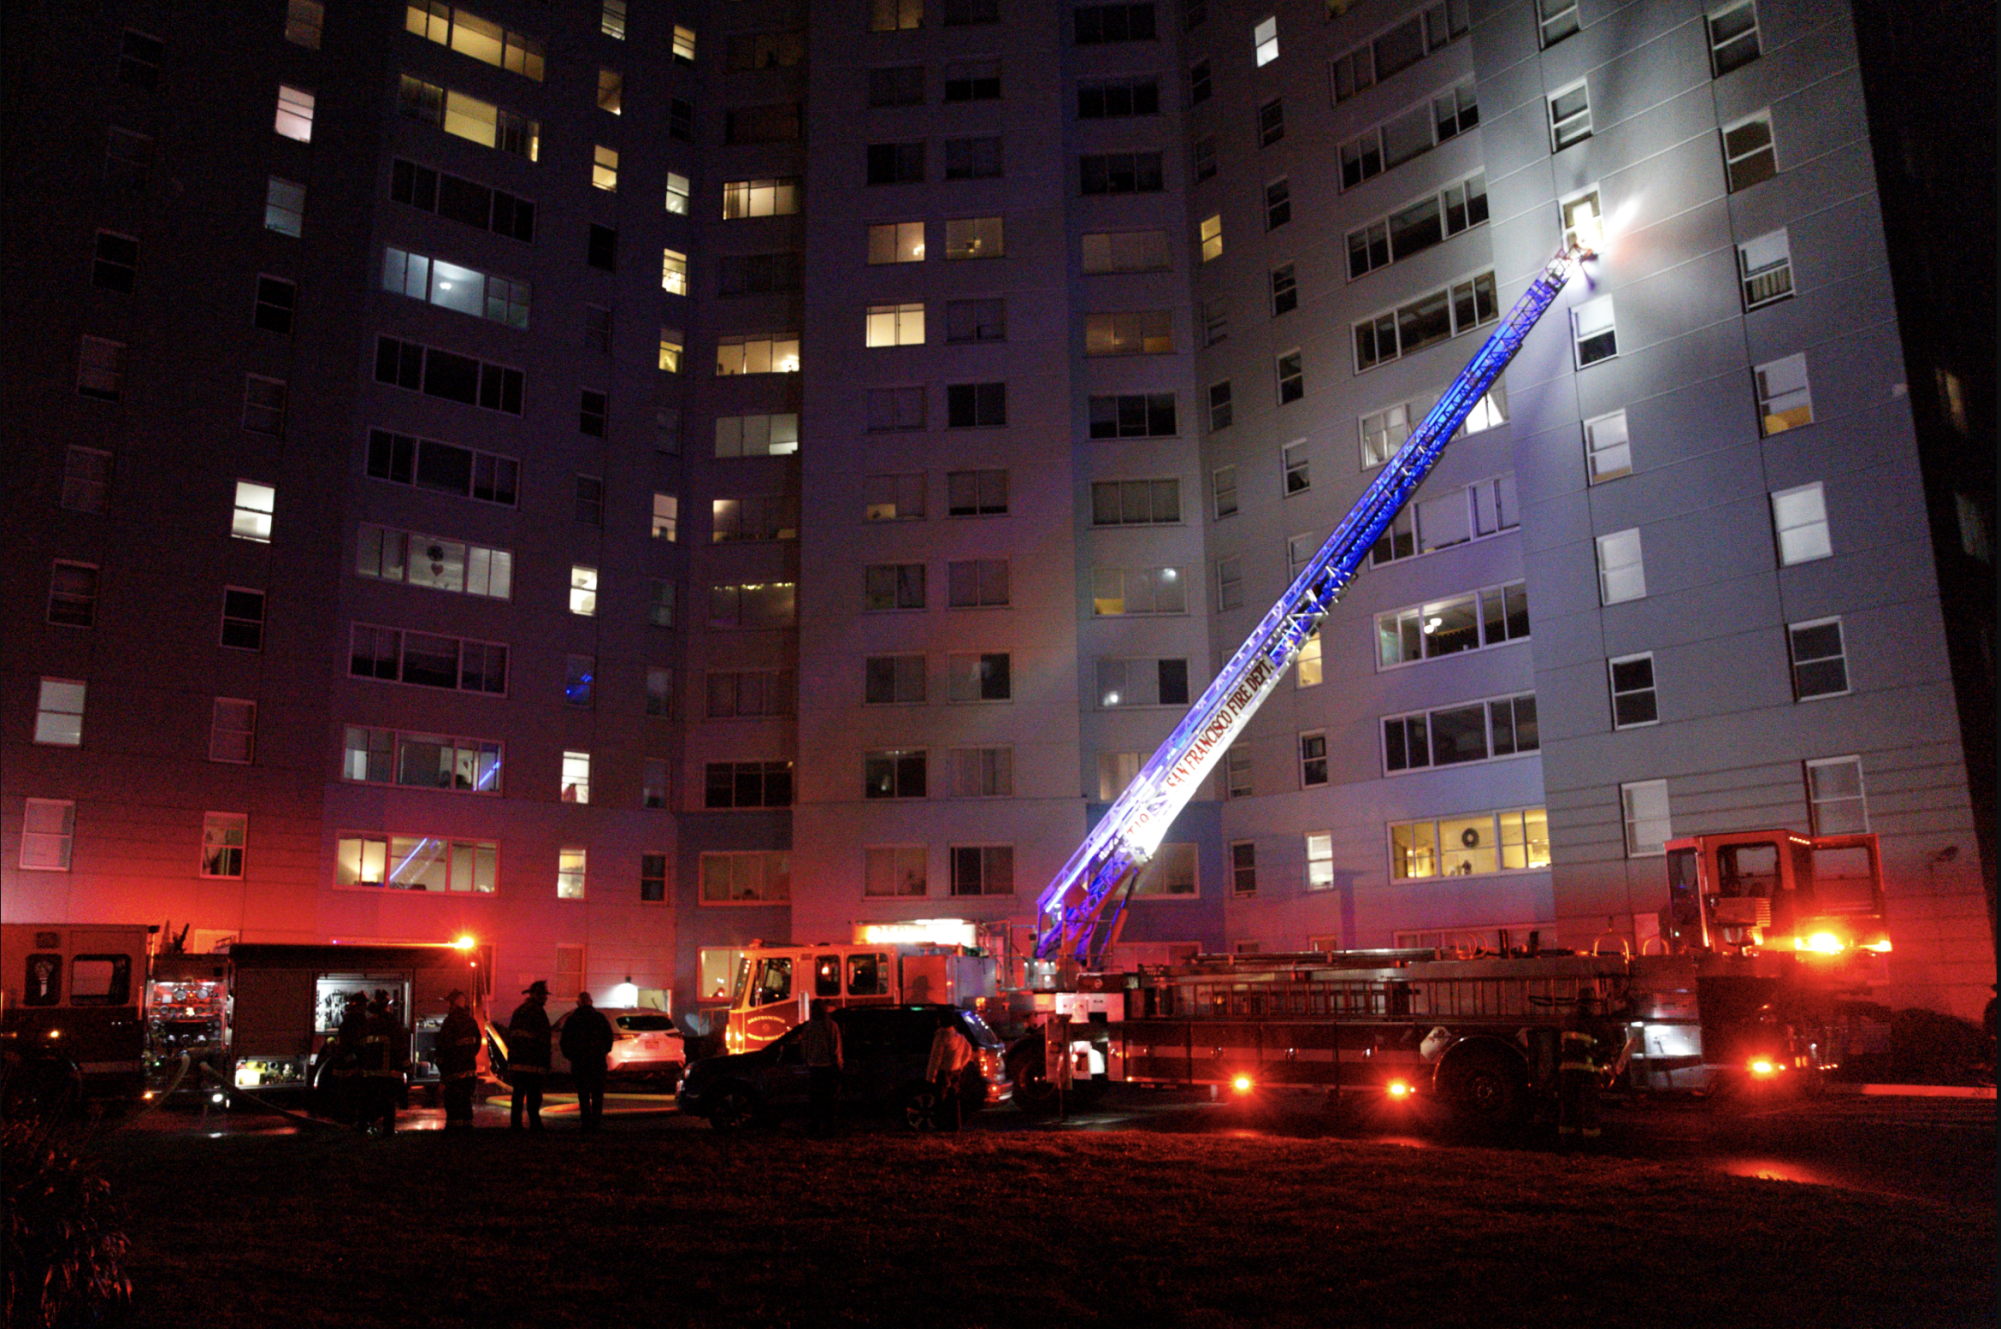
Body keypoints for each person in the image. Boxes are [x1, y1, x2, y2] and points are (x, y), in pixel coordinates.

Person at [1556, 993, 1611, 1144]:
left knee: (1568, 1105)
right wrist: (1605, 1065)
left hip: (1567, 1070)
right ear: (1590, 1005)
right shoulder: (1594, 1022)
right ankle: (1591, 1140)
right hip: (1587, 1071)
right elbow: (1604, 1046)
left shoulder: (1567, 1020)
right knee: (1589, 1106)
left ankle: (1567, 1139)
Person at [560, 991, 616, 1134]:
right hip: (597, 1062)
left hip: (580, 1063)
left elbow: (564, 1041)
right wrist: (602, 1052)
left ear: (578, 1003)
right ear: (591, 1002)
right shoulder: (600, 1018)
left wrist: (571, 1056)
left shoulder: (572, 1020)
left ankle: (585, 1122)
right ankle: (596, 1123)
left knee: (583, 1094)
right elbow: (609, 1038)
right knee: (597, 1094)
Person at [505, 980, 553, 1132]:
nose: (545, 999)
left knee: (518, 1095)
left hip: (518, 1063)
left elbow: (511, 1036)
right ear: (537, 996)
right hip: (534, 1064)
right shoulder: (538, 1013)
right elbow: (544, 1040)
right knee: (534, 1096)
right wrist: (545, 1063)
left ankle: (516, 1124)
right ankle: (535, 1124)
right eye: (544, 995)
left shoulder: (519, 1011)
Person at [358, 995, 408, 1136]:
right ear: (387, 1007)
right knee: (388, 1103)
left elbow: (360, 1047)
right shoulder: (392, 1023)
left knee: (367, 1102)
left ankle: (363, 1128)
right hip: (388, 1074)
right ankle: (388, 1130)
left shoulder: (367, 1024)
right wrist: (406, 1065)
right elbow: (400, 1046)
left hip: (369, 1073)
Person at [436, 989, 480, 1131]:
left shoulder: (450, 1022)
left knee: (453, 1103)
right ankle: (467, 1131)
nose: (448, 1006)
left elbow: (442, 1046)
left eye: (450, 1003)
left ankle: (453, 1132)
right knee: (466, 1102)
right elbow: (477, 1045)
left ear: (454, 1004)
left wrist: (442, 1065)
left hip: (453, 1071)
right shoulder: (471, 1021)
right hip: (469, 1072)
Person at [925, 1011, 974, 1132]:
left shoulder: (941, 1037)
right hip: (956, 1071)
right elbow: (968, 1052)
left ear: (942, 1021)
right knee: (954, 1100)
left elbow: (935, 1058)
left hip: (943, 1072)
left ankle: (941, 1126)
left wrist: (931, 1076)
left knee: (940, 1100)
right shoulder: (960, 1037)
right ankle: (955, 1126)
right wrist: (961, 1064)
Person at [800, 999, 843, 1137]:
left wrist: (807, 1061)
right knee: (830, 1101)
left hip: (814, 1068)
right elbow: (835, 1047)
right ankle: (828, 1129)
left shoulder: (808, 1027)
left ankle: (815, 1129)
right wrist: (838, 1065)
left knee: (815, 1101)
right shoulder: (831, 1026)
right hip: (828, 1068)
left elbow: (804, 1049)